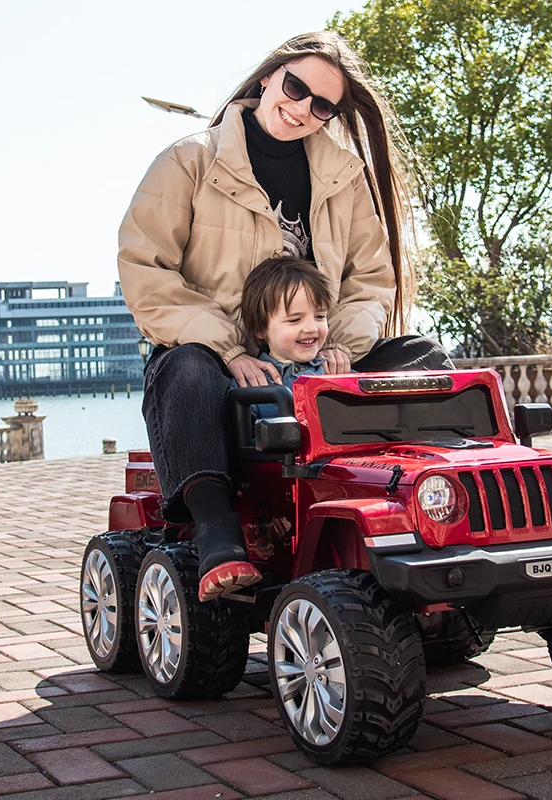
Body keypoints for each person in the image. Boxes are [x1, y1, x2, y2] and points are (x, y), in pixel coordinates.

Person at [118, 30, 453, 602]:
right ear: (270, 74)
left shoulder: (344, 176)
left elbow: (371, 280)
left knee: (423, 357)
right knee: (186, 370)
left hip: (316, 352)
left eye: (322, 105)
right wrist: (230, 350)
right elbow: (145, 269)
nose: (302, 109)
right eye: (296, 87)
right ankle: (217, 533)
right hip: (216, 359)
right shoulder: (190, 159)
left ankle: (437, 507)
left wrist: (339, 343)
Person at [236, 255, 331, 420]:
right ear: (260, 328)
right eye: (295, 320)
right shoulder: (247, 386)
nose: (312, 328)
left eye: (320, 316)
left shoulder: (338, 374)